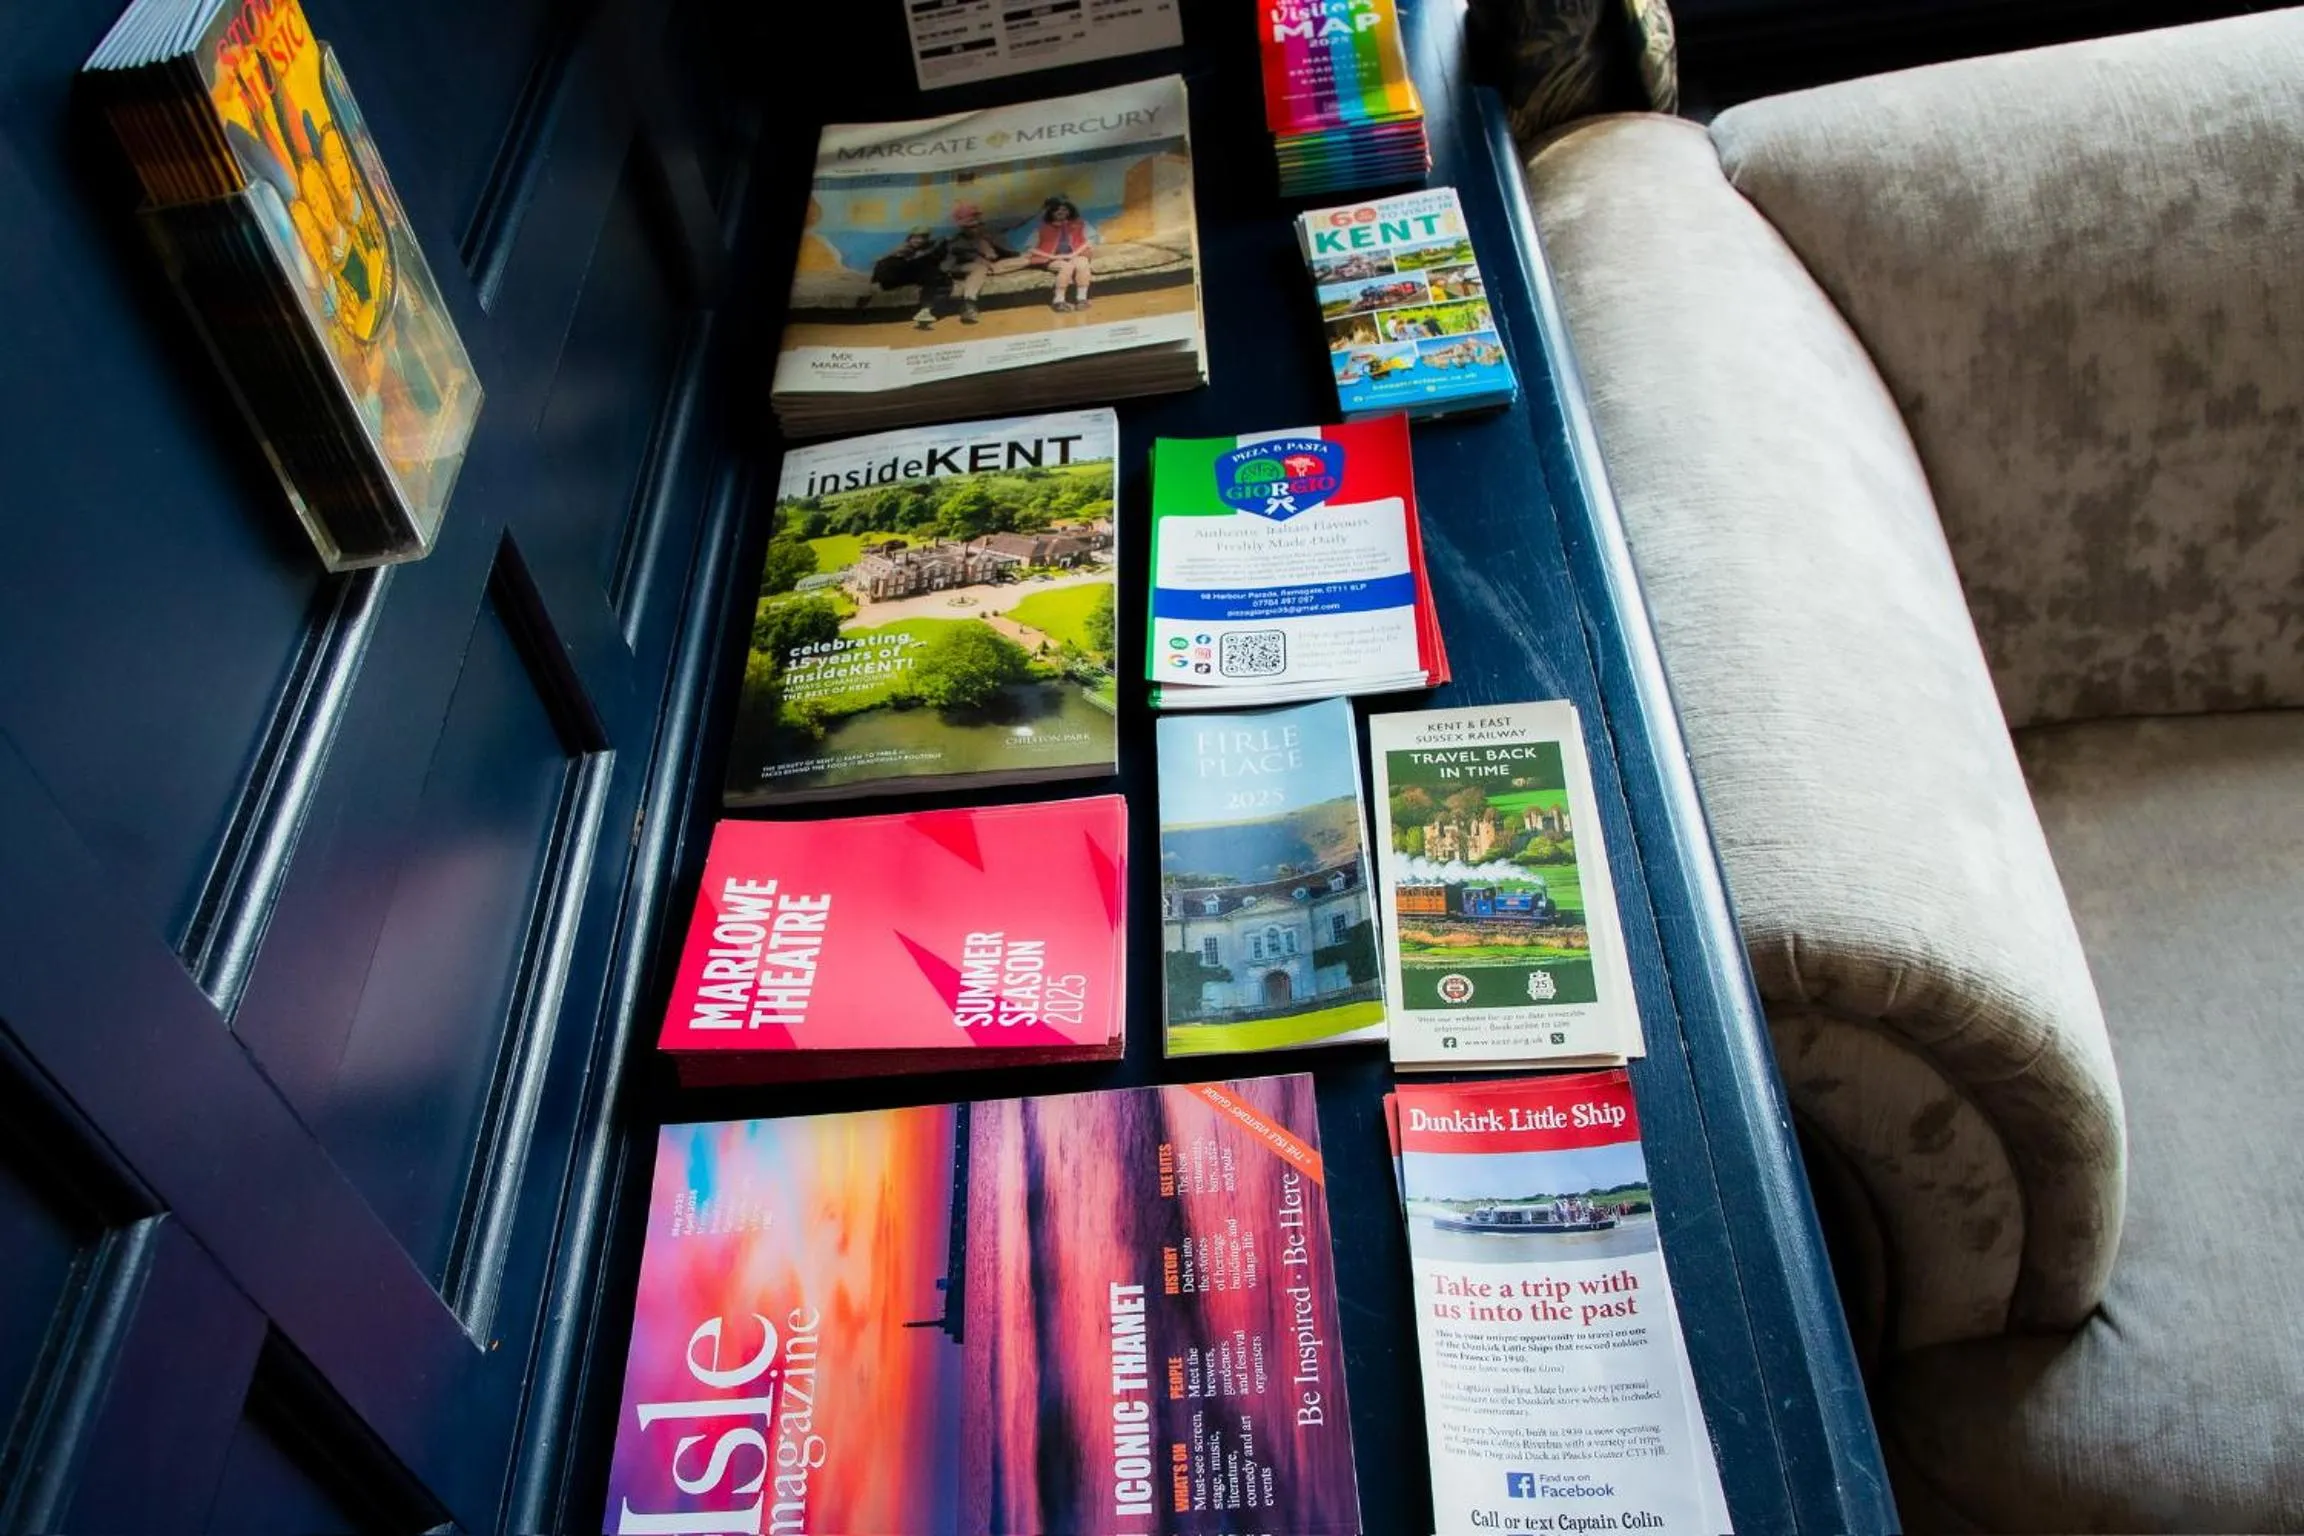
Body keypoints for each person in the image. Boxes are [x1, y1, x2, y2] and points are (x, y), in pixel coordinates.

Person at [943, 202, 1022, 325]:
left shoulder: (989, 233)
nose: (975, 227)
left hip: (993, 265)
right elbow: (953, 259)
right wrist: (976, 258)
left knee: (1028, 258)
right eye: (970, 226)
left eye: (977, 224)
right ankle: (969, 305)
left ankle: (991, 270)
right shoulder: (957, 241)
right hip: (965, 266)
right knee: (979, 268)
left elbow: (1016, 226)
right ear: (963, 227)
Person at [863, 228, 950, 328]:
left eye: (922, 238)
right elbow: (882, 262)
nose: (919, 240)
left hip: (918, 275)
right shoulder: (903, 249)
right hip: (897, 277)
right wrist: (875, 281)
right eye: (915, 238)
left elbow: (938, 251)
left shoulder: (931, 246)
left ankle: (925, 310)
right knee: (888, 264)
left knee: (934, 274)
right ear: (909, 239)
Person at [1025, 195, 1097, 312]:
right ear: (1051, 213)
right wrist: (1051, 256)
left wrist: (1073, 254)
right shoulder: (1042, 228)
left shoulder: (1080, 224)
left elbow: (1090, 241)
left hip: (1075, 255)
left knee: (1083, 264)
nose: (1060, 212)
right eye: (1057, 210)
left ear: (1069, 211)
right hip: (1052, 258)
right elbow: (1030, 248)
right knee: (1066, 267)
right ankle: (1058, 301)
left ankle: (1082, 299)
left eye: (1064, 209)